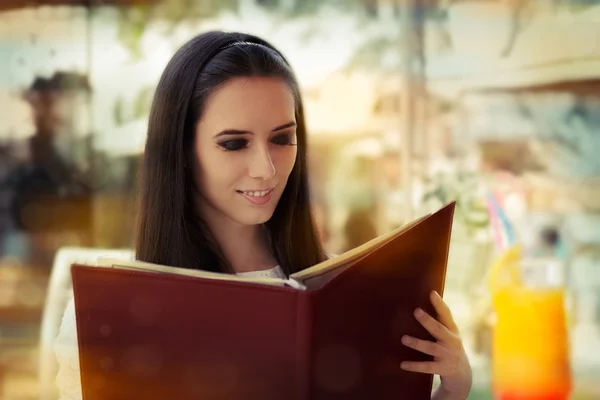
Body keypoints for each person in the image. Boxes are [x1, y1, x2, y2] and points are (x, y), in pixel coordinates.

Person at [54, 31, 472, 400]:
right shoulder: (105, 316)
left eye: (282, 139)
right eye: (234, 143)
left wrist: (452, 387)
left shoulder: (339, 289)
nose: (266, 169)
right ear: (180, 150)